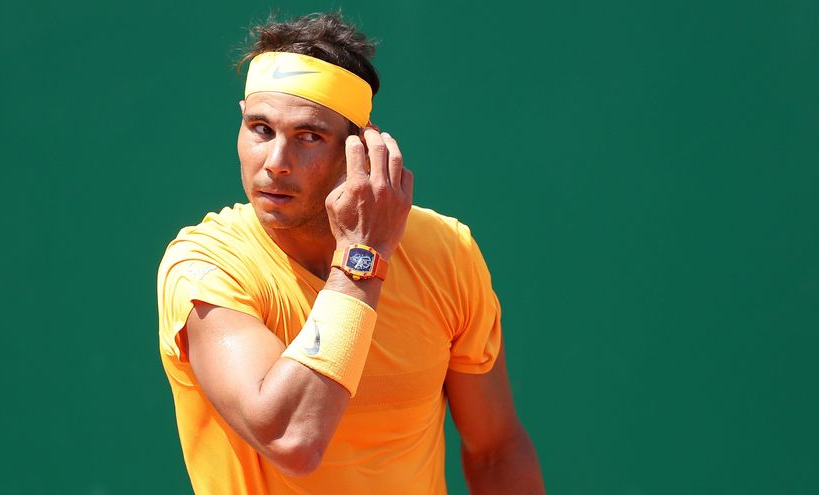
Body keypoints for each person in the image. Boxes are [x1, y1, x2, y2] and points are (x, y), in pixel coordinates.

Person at [157, 12, 545, 495]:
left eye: (309, 137)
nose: (275, 163)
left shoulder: (446, 252)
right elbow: (291, 439)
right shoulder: (205, 267)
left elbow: (496, 451)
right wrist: (363, 258)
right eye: (260, 129)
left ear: (360, 148)